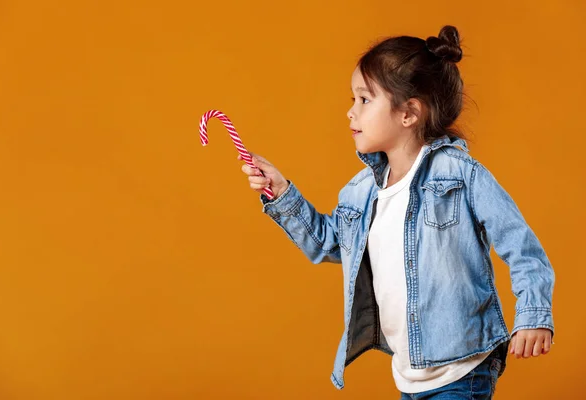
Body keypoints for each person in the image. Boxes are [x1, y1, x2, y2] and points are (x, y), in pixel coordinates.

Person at [238, 25, 555, 399]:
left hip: (462, 369)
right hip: (408, 374)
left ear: (409, 113)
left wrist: (534, 314)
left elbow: (521, 245)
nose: (350, 112)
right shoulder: (361, 191)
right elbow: (327, 243)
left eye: (364, 100)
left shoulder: (460, 175)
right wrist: (282, 193)